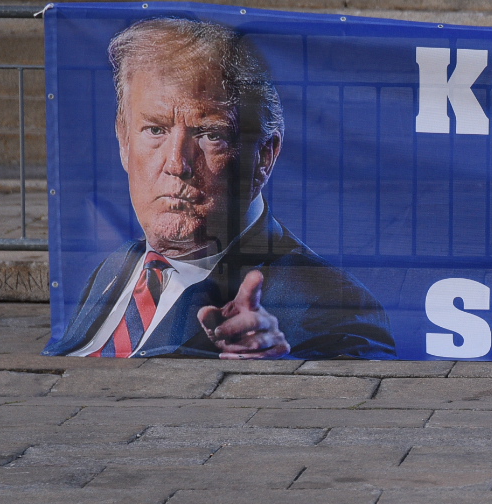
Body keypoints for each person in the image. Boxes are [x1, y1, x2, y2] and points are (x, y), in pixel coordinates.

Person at [45, 18, 395, 360]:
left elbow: (350, 389)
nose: (176, 164)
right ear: (123, 139)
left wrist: (276, 368)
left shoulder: (333, 306)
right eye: (155, 130)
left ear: (264, 156)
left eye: (210, 135)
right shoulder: (119, 266)